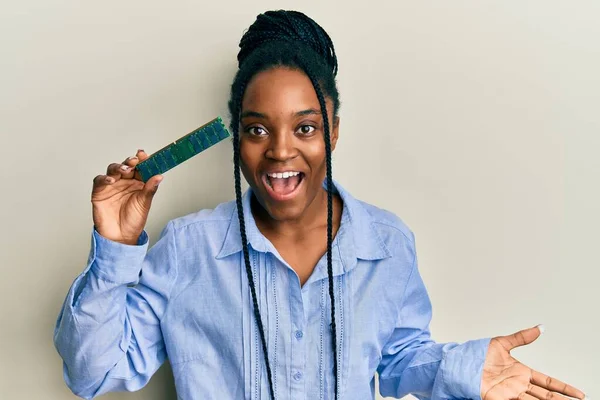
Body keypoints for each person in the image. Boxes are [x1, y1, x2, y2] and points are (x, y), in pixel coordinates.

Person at [53, 10, 587, 400]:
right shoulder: (188, 248)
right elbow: (93, 374)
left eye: (304, 127)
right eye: (257, 129)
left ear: (332, 131)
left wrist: (467, 370)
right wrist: (114, 250)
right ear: (236, 138)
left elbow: (399, 359)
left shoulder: (387, 243)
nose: (281, 150)